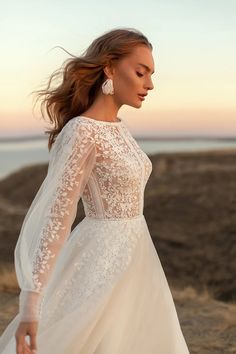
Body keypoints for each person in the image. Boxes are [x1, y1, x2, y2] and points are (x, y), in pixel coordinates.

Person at [0, 27, 190, 354]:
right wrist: (31, 300)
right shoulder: (81, 131)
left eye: (151, 74)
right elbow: (58, 216)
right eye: (140, 72)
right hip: (99, 260)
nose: (150, 84)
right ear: (109, 68)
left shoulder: (119, 126)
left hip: (138, 256)